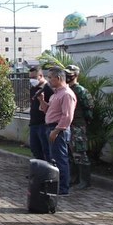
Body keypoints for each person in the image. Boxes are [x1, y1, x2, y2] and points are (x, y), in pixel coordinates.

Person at [38, 67, 76, 196]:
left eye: (50, 77)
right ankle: (55, 185)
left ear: (59, 78)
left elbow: (67, 116)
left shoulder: (66, 94)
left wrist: (57, 130)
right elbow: (47, 110)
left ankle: (63, 188)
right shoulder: (56, 94)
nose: (49, 80)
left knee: (60, 160)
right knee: (52, 159)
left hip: (58, 129)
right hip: (50, 127)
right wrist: (42, 101)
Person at [66, 65, 94, 190]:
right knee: (70, 153)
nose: (67, 76)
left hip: (78, 125)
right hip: (68, 125)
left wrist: (84, 123)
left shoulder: (80, 90)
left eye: (69, 74)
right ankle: (74, 178)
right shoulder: (65, 89)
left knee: (80, 152)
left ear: (75, 75)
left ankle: (85, 181)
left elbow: (89, 107)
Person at [28, 66, 53, 162]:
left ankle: (49, 170)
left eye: (34, 77)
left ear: (41, 76)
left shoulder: (48, 89)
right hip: (34, 123)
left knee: (46, 149)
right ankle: (40, 169)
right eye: (30, 78)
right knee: (35, 149)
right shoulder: (33, 89)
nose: (32, 80)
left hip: (44, 123)